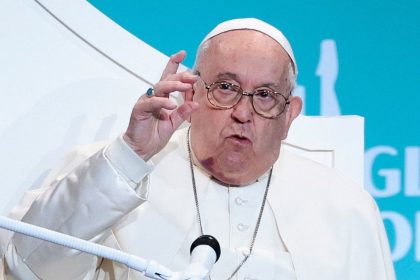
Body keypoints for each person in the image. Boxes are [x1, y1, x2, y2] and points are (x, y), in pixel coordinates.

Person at [1, 18, 395, 279]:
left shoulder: (347, 210)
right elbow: (29, 267)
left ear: (289, 114)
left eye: (265, 95)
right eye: (226, 87)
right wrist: (130, 156)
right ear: (192, 91)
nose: (243, 112)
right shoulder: (116, 169)